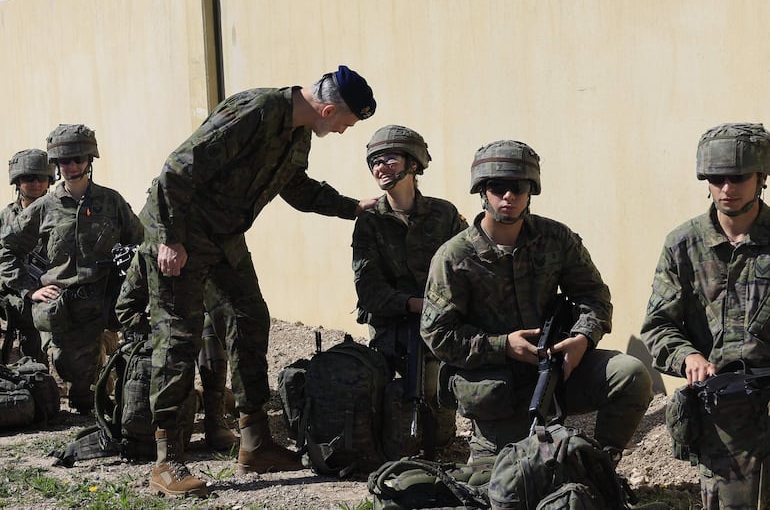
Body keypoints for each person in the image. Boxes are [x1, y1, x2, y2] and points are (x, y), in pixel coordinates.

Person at [138, 65, 377, 497]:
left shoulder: (298, 130)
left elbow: (296, 187)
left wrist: (352, 207)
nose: (343, 131)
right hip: (181, 232)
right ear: (326, 109)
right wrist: (170, 239)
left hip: (223, 236)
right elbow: (177, 169)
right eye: (346, 123)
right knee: (178, 337)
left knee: (250, 318)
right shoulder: (258, 111)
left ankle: (255, 441)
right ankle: (166, 460)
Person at [420, 139, 652, 461]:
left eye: (518, 187)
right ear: (482, 191)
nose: (509, 196)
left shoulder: (556, 239)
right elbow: (438, 336)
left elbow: (594, 295)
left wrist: (582, 338)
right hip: (498, 391)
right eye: (498, 187)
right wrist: (504, 345)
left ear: (531, 192)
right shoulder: (454, 257)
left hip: (558, 370)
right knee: (506, 486)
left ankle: (601, 464)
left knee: (630, 374)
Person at [641, 123, 770, 509]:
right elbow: (658, 324)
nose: (727, 188)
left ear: (761, 178)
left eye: (738, 177)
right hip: (726, 406)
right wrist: (688, 357)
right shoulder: (683, 245)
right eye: (716, 178)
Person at [0, 124, 144, 415]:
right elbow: (6, 250)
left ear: (90, 160)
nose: (72, 166)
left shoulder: (111, 201)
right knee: (79, 393)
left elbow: (140, 243)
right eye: (64, 161)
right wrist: (31, 290)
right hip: (69, 310)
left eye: (78, 159)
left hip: (109, 303)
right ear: (56, 164)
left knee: (135, 370)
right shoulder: (43, 208)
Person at [352, 124, 466, 455]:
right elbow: (368, 290)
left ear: (413, 164)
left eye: (389, 159)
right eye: (374, 161)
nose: (380, 168)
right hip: (393, 322)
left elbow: (467, 268)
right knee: (391, 395)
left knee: (439, 402)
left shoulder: (443, 214)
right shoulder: (370, 220)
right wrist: (413, 304)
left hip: (440, 322)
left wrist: (444, 308)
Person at [114, 251, 237, 451]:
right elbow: (124, 309)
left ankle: (215, 418)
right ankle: (188, 409)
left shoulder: (207, 247)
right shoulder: (149, 252)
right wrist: (155, 324)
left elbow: (228, 301)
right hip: (160, 341)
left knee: (209, 325)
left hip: (195, 335)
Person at [0, 149, 55, 364]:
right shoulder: (5, 218)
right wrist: (25, 289)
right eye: (28, 178)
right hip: (12, 295)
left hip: (48, 296)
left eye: (41, 177)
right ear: (17, 181)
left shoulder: (60, 214)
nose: (35, 183)